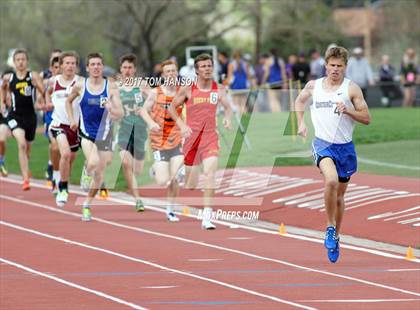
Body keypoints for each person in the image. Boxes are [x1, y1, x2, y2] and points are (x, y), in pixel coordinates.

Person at [295, 46, 371, 263]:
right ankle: (329, 227)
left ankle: (336, 235)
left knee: (339, 196)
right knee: (331, 182)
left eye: (339, 66)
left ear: (345, 67)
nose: (335, 69)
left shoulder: (352, 89)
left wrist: (348, 110)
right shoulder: (314, 86)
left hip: (345, 149)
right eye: (332, 65)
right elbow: (299, 101)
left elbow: (367, 118)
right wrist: (300, 122)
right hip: (322, 145)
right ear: (325, 66)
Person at [169, 53, 232, 230]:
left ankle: (207, 217)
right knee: (191, 185)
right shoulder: (188, 89)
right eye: (203, 66)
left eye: (209, 66)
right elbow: (172, 108)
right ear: (196, 70)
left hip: (210, 138)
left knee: (210, 173)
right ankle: (182, 173)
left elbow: (227, 107)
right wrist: (181, 125)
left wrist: (227, 119)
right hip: (191, 138)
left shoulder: (218, 89)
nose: (207, 69)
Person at [66, 52, 123, 221]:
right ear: (87, 68)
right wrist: (72, 120)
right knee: (93, 162)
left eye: (99, 64)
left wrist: (111, 108)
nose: (96, 67)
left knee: (99, 176)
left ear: (102, 66)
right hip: (86, 133)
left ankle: (86, 205)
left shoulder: (111, 87)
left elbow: (120, 112)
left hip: (105, 135)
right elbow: (68, 102)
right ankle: (87, 168)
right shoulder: (80, 86)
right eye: (93, 64)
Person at [140, 59, 184, 222]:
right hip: (159, 141)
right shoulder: (155, 92)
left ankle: (170, 209)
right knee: (162, 181)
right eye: (168, 72)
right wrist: (151, 123)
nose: (171, 74)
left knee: (175, 177)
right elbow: (143, 110)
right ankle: (156, 169)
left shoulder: (182, 92)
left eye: (173, 71)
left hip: (177, 139)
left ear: (177, 72)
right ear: (163, 75)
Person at [0, 49, 45, 190]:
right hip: (15, 116)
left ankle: (26, 168)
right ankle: (25, 179)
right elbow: (3, 88)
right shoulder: (9, 78)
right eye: (18, 59)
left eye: (23, 59)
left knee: (27, 148)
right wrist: (2, 102)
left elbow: (43, 91)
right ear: (14, 62)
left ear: (27, 61)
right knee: (21, 144)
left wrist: (37, 87)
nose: (20, 62)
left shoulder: (33, 75)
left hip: (30, 117)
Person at [46, 51, 81, 207]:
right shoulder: (53, 82)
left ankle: (61, 178)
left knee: (70, 158)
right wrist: (47, 103)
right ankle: (63, 189)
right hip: (58, 124)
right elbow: (45, 93)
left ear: (76, 66)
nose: (70, 66)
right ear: (60, 66)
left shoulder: (81, 82)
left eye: (73, 63)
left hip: (75, 126)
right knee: (65, 154)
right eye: (67, 63)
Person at [117, 53, 149, 212]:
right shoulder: (116, 87)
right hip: (123, 131)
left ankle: (151, 170)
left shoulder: (141, 84)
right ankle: (138, 199)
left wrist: (144, 107)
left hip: (140, 131)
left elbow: (153, 101)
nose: (127, 70)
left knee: (137, 170)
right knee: (125, 162)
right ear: (120, 69)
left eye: (130, 67)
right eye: (124, 67)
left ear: (134, 69)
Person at [43, 56, 61, 192]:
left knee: (68, 155)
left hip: (68, 123)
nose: (58, 69)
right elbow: (40, 101)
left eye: (60, 67)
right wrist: (47, 104)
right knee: (55, 148)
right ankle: (55, 175)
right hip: (52, 121)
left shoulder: (74, 82)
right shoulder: (49, 83)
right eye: (55, 67)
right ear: (51, 69)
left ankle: (59, 174)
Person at [0, 70, 14, 177]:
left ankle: (1, 161)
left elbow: (10, 105)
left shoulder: (13, 90)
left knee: (2, 140)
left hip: (3, 118)